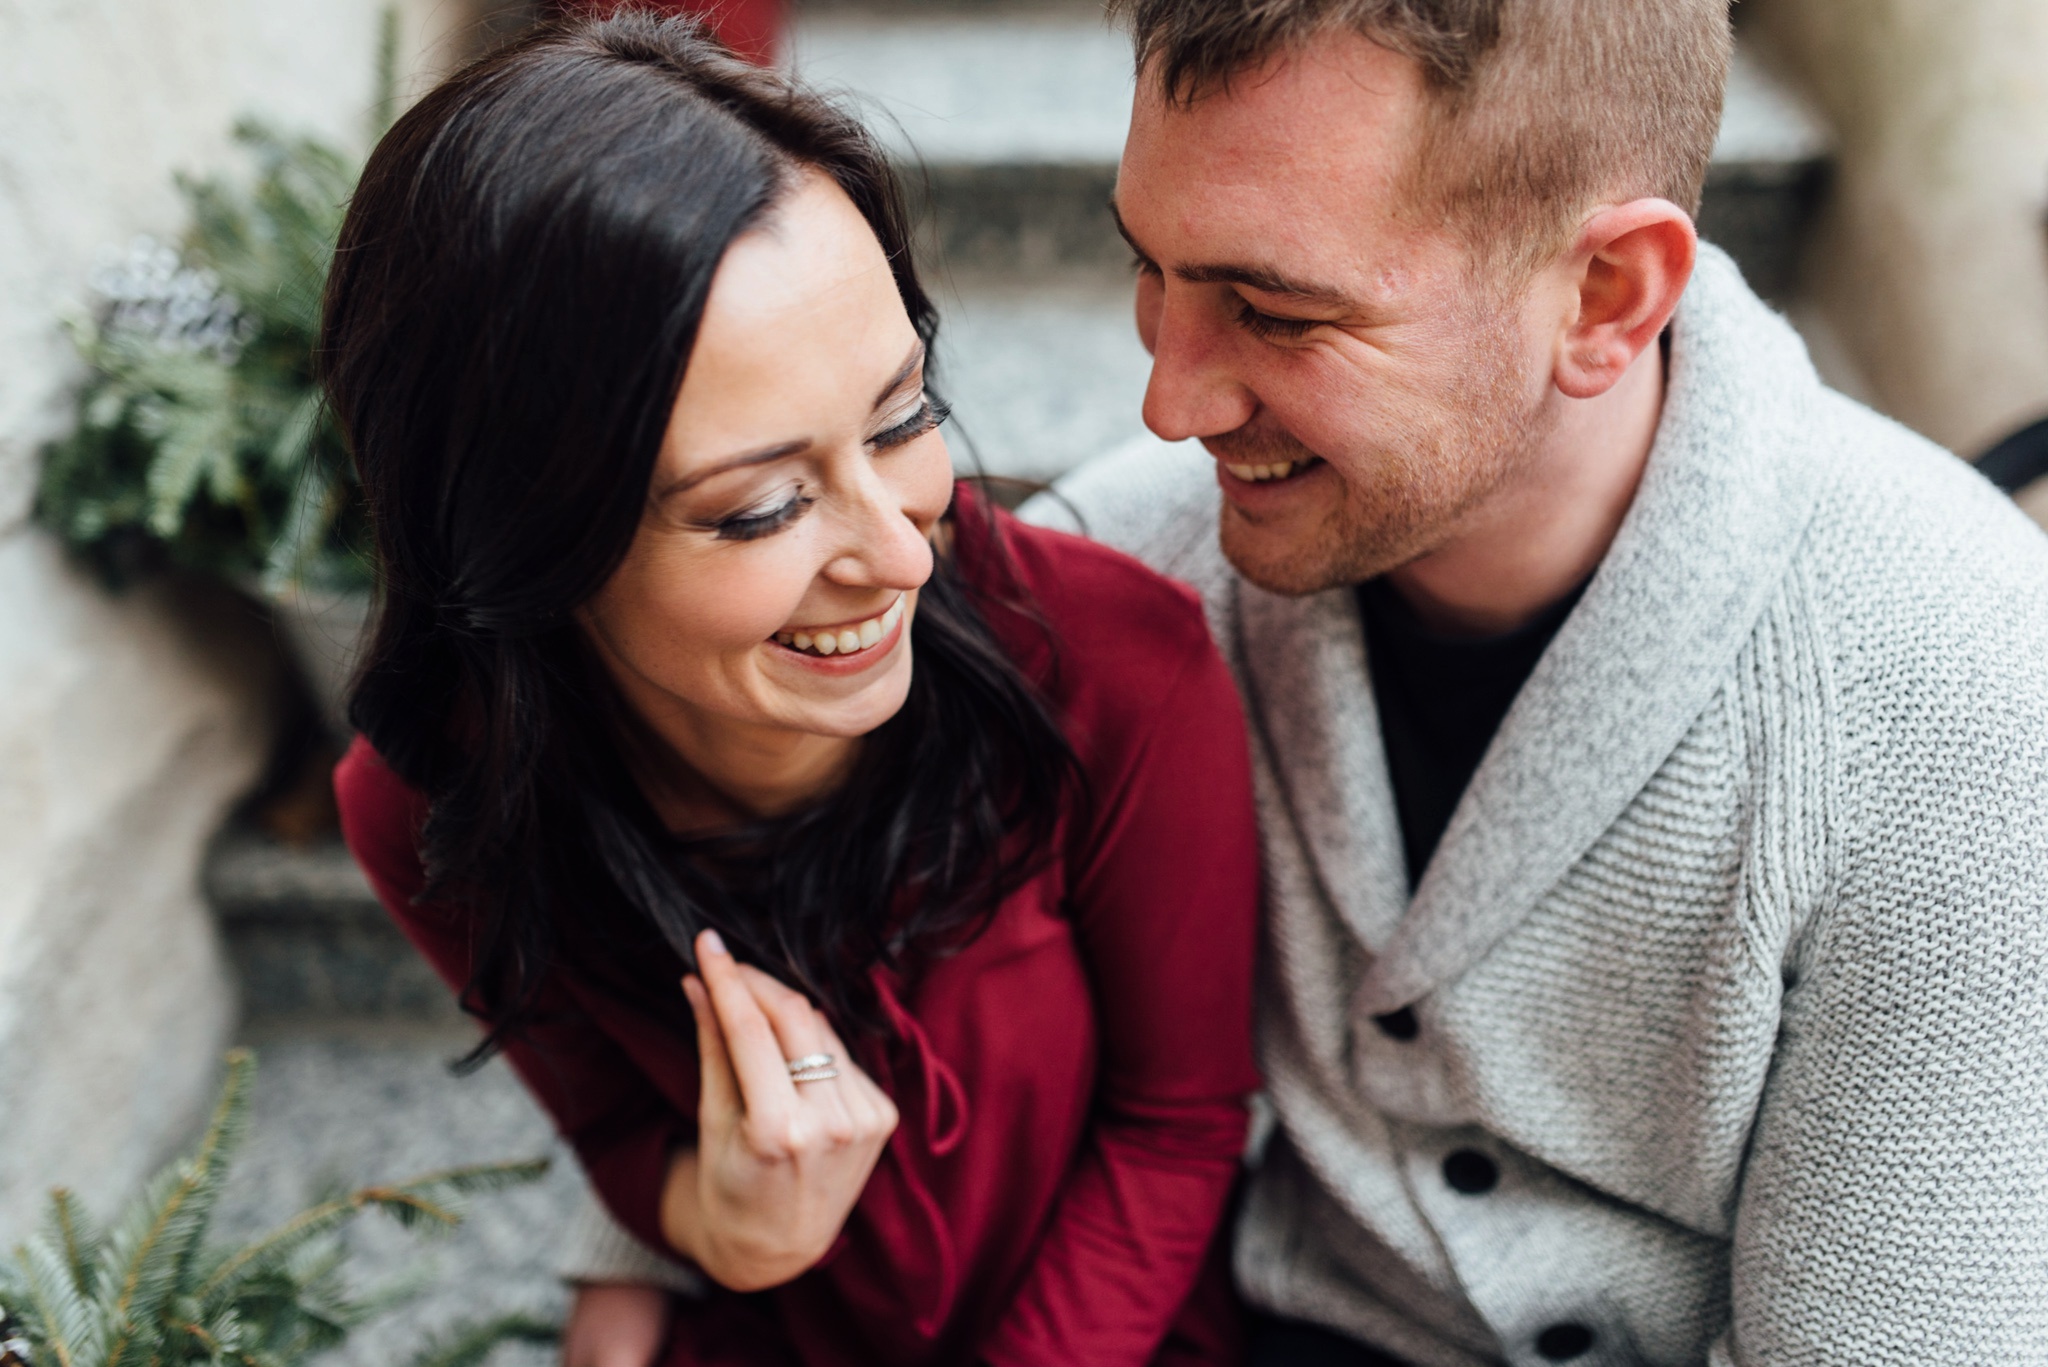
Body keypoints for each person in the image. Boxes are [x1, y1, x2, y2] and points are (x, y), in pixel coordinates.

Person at [1013, 2, 2048, 1365]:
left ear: (1605, 296)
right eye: (1150, 267)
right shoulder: (1124, 575)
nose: (1170, 397)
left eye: (1273, 310)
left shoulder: (1952, 692)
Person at [322, 15, 1262, 1366]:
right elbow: (614, 1136)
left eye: (900, 416)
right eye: (760, 508)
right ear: (526, 540)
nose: (896, 552)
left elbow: (1176, 1128)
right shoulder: (425, 805)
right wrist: (721, 1225)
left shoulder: (1120, 665)